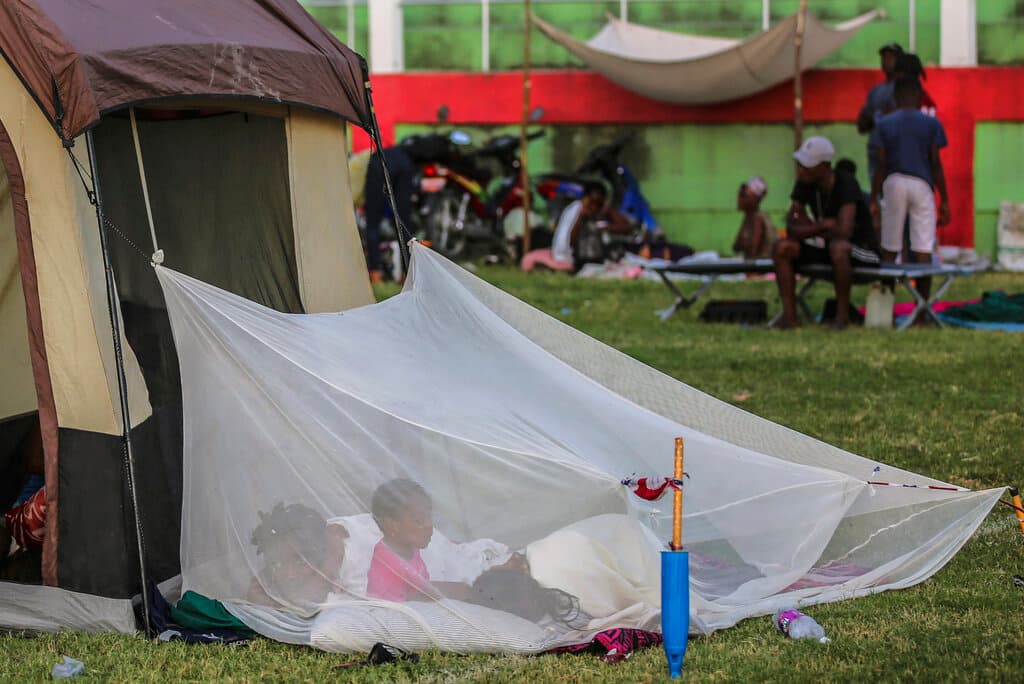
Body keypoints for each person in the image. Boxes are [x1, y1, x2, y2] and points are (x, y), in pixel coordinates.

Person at [773, 136, 881, 330]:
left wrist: (810, 227)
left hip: (864, 252)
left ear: (824, 166)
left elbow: (844, 231)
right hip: (829, 248)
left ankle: (841, 319)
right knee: (782, 247)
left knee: (839, 248)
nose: (801, 170)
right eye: (800, 164)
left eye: (807, 165)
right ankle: (789, 318)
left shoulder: (846, 183)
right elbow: (791, 227)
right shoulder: (805, 182)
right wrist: (823, 226)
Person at [870, 77, 950, 301]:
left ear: (896, 97)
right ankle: (921, 311)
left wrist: (875, 198)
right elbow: (935, 163)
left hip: (893, 182)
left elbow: (881, 163)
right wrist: (944, 199)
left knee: (889, 247)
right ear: (918, 96)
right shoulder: (931, 124)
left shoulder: (885, 123)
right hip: (922, 184)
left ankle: (885, 307)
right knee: (923, 249)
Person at [366, 478, 489, 602]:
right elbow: (389, 605)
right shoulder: (382, 564)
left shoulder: (410, 549)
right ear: (393, 525)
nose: (429, 525)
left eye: (429, 517)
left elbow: (417, 587)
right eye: (419, 521)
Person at [248, 502, 349, 609]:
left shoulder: (348, 586)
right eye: (277, 564)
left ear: (322, 556)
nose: (290, 575)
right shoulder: (264, 586)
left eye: (300, 562)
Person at [551, 181, 635, 272]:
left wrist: (605, 224)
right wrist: (581, 217)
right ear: (585, 198)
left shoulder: (597, 210)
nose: (594, 207)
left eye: (598, 203)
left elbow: (627, 227)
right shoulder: (576, 210)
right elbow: (569, 243)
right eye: (592, 202)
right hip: (570, 258)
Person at [363, 146, 417, 284]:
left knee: (373, 222)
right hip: (404, 166)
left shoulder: (363, 161)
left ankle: (375, 275)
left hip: (379, 166)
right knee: (403, 223)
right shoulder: (403, 156)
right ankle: (407, 275)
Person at [857, 42, 903, 180]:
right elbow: (862, 123)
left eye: (890, 57)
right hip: (875, 151)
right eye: (884, 57)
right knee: (876, 198)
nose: (886, 61)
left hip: (895, 153)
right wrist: (879, 115)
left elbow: (899, 116)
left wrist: (875, 117)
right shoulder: (875, 91)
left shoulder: (905, 88)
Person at [732, 176, 776, 259]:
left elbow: (753, 253)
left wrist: (744, 243)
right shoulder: (748, 217)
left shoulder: (758, 219)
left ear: (755, 200)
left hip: (760, 269)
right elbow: (736, 247)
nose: (739, 198)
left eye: (743, 195)